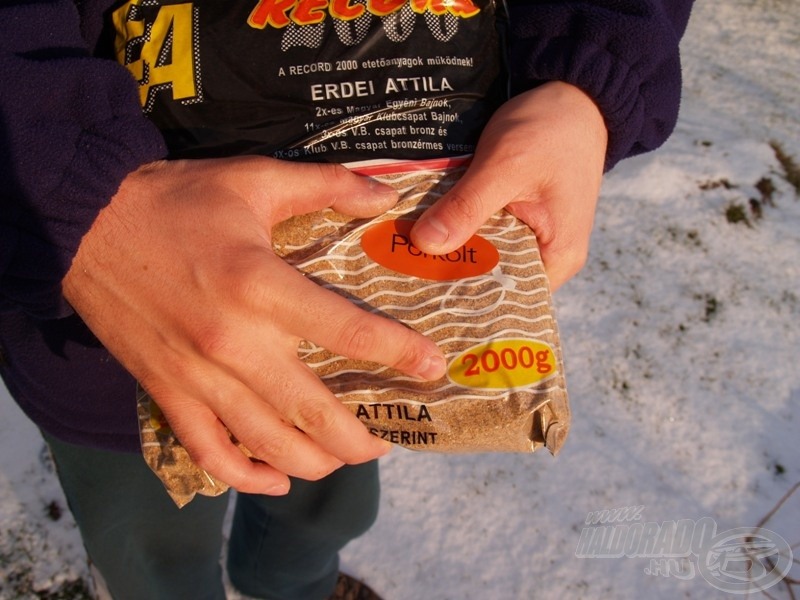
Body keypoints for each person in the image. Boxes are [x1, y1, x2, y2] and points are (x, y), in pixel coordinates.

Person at [0, 0, 695, 598]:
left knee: (326, 503)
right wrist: (73, 194)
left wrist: (590, 73)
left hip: (384, 299)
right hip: (106, 338)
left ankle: (291, 586)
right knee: (151, 549)